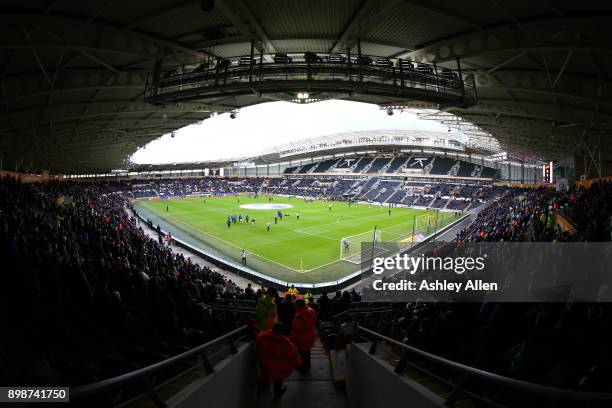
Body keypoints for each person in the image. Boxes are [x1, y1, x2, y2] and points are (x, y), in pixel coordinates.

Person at [256, 323, 302, 397]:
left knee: (268, 374)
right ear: (282, 332)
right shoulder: (286, 343)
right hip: (278, 367)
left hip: (265, 364)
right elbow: (294, 356)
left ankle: (266, 384)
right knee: (277, 379)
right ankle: (278, 392)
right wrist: (298, 364)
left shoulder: (262, 336)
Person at [290, 298, 317, 372]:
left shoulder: (299, 316)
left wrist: (291, 339)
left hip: (301, 338)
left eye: (295, 305)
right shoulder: (311, 311)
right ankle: (308, 365)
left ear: (299, 306)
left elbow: (296, 330)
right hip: (310, 334)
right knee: (307, 351)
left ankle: (303, 367)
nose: (294, 307)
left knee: (302, 353)